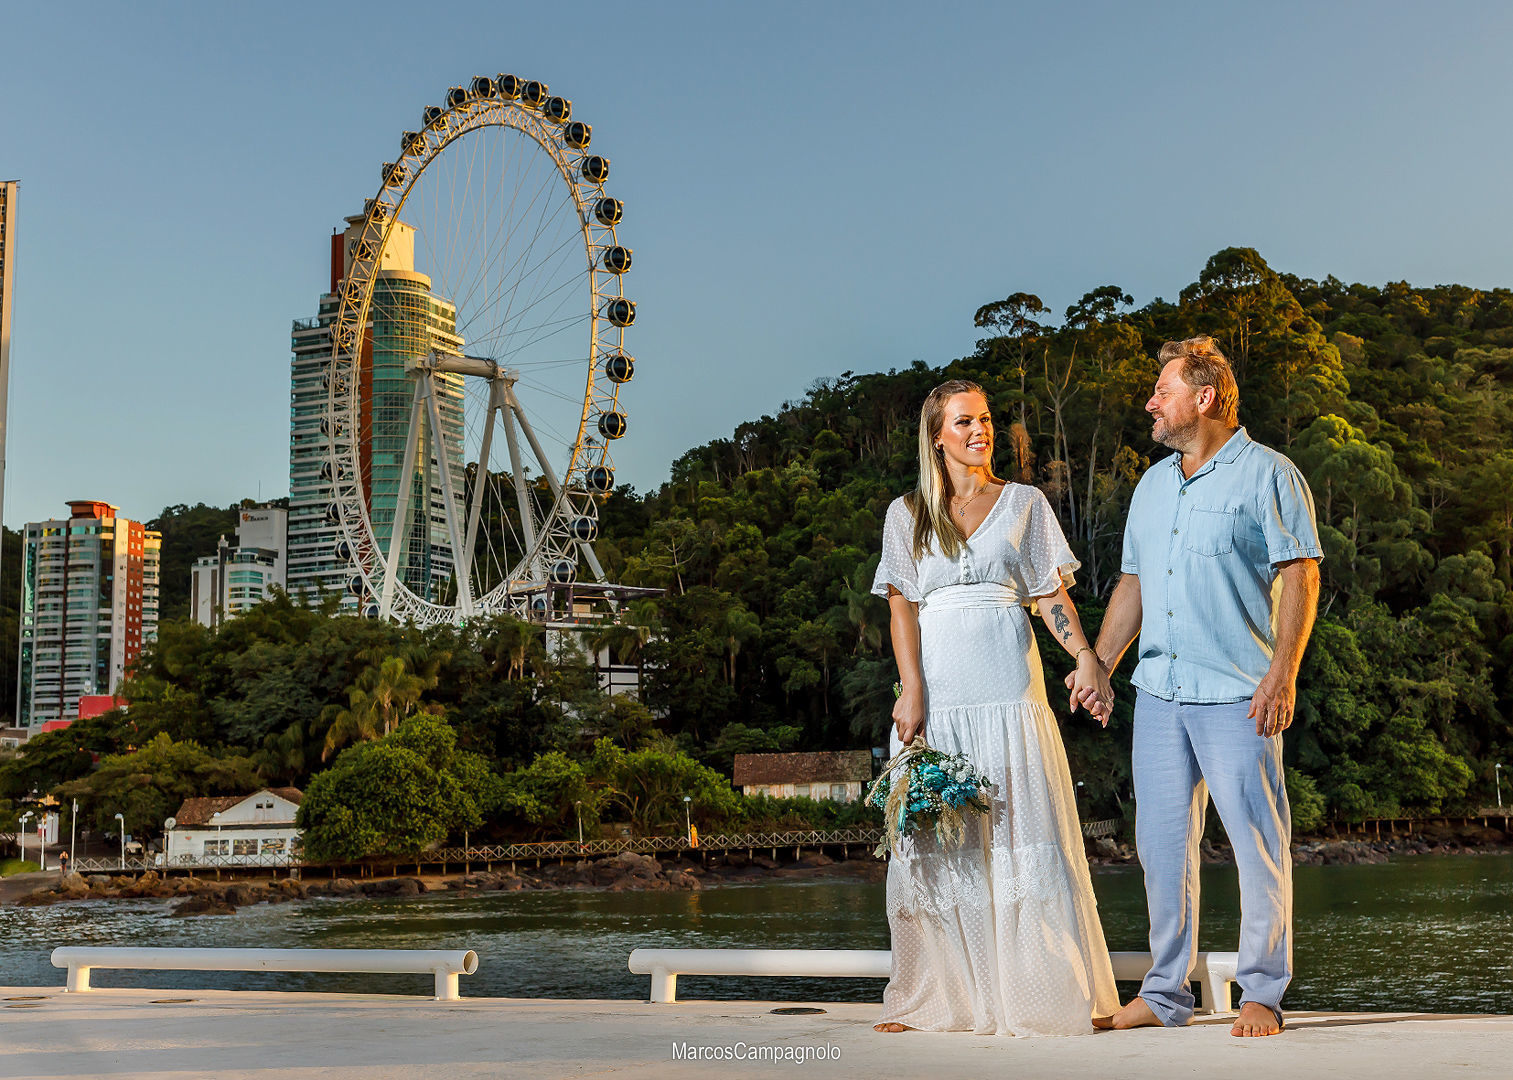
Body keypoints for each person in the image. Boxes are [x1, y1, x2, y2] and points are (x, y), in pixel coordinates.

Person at [1082, 336, 1322, 1038]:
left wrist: (1282, 673)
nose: (1150, 403)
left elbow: (1298, 575)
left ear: (1204, 398)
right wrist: (1099, 662)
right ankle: (1162, 995)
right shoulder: (1152, 484)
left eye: (1161, 391)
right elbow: (1131, 582)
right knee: (1159, 848)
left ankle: (1261, 992)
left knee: (1257, 845)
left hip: (1237, 693)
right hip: (1158, 694)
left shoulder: (1269, 474)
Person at [870, 378, 1119, 1037]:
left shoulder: (1024, 504)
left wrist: (1086, 658)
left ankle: (1038, 997)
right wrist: (911, 689)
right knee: (935, 848)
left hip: (1010, 694)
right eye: (962, 422)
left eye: (983, 419)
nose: (978, 430)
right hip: (940, 700)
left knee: (1019, 839)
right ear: (935, 436)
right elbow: (901, 608)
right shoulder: (905, 515)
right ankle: (935, 999)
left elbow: (1049, 597)